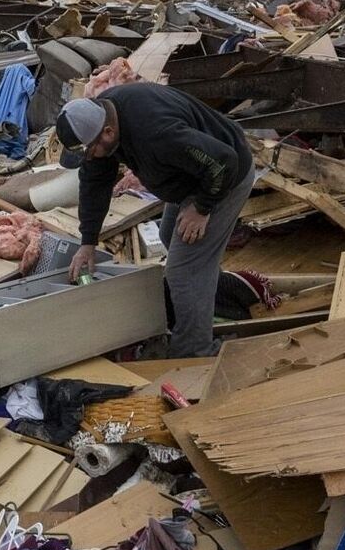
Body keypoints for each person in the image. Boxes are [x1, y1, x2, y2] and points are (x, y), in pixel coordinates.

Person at [58, 85, 256, 357]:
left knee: (183, 271)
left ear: (108, 133)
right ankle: (218, 300)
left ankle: (195, 350)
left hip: (224, 179)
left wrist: (202, 207)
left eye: (90, 151)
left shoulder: (156, 132)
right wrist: (88, 242)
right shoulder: (101, 121)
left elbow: (223, 162)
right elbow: (94, 183)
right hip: (190, 178)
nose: (89, 157)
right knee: (170, 238)